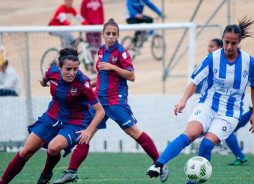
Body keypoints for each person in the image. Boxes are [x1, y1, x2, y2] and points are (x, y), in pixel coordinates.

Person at [53, 18, 168, 184]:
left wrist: (113, 67)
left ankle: (160, 164)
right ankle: (71, 172)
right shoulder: (100, 50)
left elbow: (132, 76)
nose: (111, 37)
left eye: (114, 34)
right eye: (108, 33)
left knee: (134, 133)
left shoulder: (121, 53)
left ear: (118, 35)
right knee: (85, 134)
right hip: (99, 101)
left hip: (116, 101)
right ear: (103, 35)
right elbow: (101, 76)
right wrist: (87, 86)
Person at [146, 17, 254, 183]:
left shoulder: (248, 62)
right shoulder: (211, 58)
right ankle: (159, 164)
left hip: (230, 113)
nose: (229, 47)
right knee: (191, 134)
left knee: (206, 145)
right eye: (226, 42)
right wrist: (183, 101)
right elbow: (193, 83)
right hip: (207, 105)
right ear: (222, 39)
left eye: (233, 43)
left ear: (239, 42)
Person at [0, 48, 105, 184]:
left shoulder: (83, 82)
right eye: (68, 69)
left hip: (74, 122)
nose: (72, 73)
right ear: (59, 66)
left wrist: (88, 130)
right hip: (52, 117)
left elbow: (100, 111)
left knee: (54, 148)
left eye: (75, 69)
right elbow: (45, 80)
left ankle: (46, 174)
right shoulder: (52, 71)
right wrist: (43, 83)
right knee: (25, 152)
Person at [195, 39, 254, 166]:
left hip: (228, 107)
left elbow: (252, 84)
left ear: (219, 46)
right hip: (214, 105)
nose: (209, 49)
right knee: (227, 131)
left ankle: (241, 157)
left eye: (211, 46)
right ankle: (241, 156)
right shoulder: (212, 61)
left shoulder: (239, 62)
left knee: (226, 131)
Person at [80, 0, 105, 71]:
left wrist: (101, 25)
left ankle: (97, 64)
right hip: (89, 28)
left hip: (97, 27)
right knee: (92, 47)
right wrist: (86, 25)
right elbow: (82, 14)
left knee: (99, 47)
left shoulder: (99, 1)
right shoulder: (85, 1)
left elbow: (101, 13)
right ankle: (91, 64)